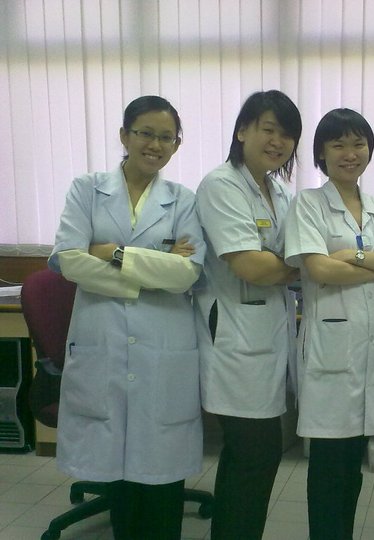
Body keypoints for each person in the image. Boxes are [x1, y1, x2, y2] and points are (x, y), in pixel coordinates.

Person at [49, 95, 206, 540]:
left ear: (176, 145)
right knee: (118, 479)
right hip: (104, 339)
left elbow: (187, 273)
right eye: (145, 134)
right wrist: (149, 271)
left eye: (166, 137)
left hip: (163, 347)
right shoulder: (87, 189)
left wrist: (112, 252)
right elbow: (68, 260)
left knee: (162, 479)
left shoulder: (183, 200)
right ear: (124, 135)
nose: (155, 145)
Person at [284, 108, 374, 539]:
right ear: (321, 153)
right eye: (338, 144)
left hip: (373, 349)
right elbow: (319, 269)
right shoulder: (308, 204)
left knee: (354, 466)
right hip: (330, 350)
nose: (350, 153)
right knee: (329, 467)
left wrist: (353, 256)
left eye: (358, 143)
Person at [194, 90, 301, 540]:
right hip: (234, 339)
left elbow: (294, 253)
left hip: (267, 335)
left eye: (287, 134)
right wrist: (304, 265)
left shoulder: (278, 192)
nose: (278, 142)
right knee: (255, 453)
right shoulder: (221, 185)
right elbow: (251, 267)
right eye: (268, 129)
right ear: (242, 131)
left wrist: (291, 263)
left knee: (252, 456)